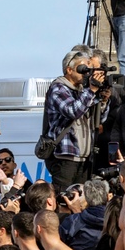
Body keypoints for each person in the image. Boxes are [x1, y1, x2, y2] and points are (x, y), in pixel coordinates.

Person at [43, 49, 108, 191]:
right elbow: (72, 111)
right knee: (64, 200)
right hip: (65, 157)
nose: (86, 73)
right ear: (69, 70)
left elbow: (98, 119)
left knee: (80, 201)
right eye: (82, 69)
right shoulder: (58, 88)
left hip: (83, 156)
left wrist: (102, 101)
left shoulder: (81, 91)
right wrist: (91, 90)